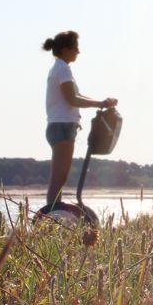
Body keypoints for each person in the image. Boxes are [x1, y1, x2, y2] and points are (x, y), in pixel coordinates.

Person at [43, 30, 117, 207]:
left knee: (59, 176)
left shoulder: (60, 68)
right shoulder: (63, 69)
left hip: (60, 126)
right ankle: (51, 215)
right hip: (62, 126)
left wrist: (101, 103)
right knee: (59, 177)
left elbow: (77, 94)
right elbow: (73, 99)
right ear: (66, 49)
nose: (78, 52)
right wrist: (100, 103)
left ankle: (53, 213)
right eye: (76, 48)